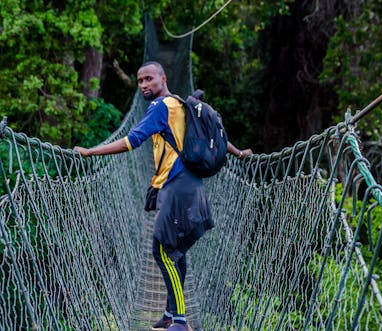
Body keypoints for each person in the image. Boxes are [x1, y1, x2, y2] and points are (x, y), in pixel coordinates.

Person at [74, 61, 252, 331]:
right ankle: (171, 314)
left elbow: (131, 141)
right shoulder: (180, 104)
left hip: (179, 187)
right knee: (175, 251)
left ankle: (179, 320)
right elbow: (209, 134)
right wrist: (238, 152)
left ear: (163, 78)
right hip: (189, 186)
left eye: (149, 79)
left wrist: (90, 152)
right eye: (140, 81)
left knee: (163, 250)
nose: (144, 85)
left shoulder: (159, 107)